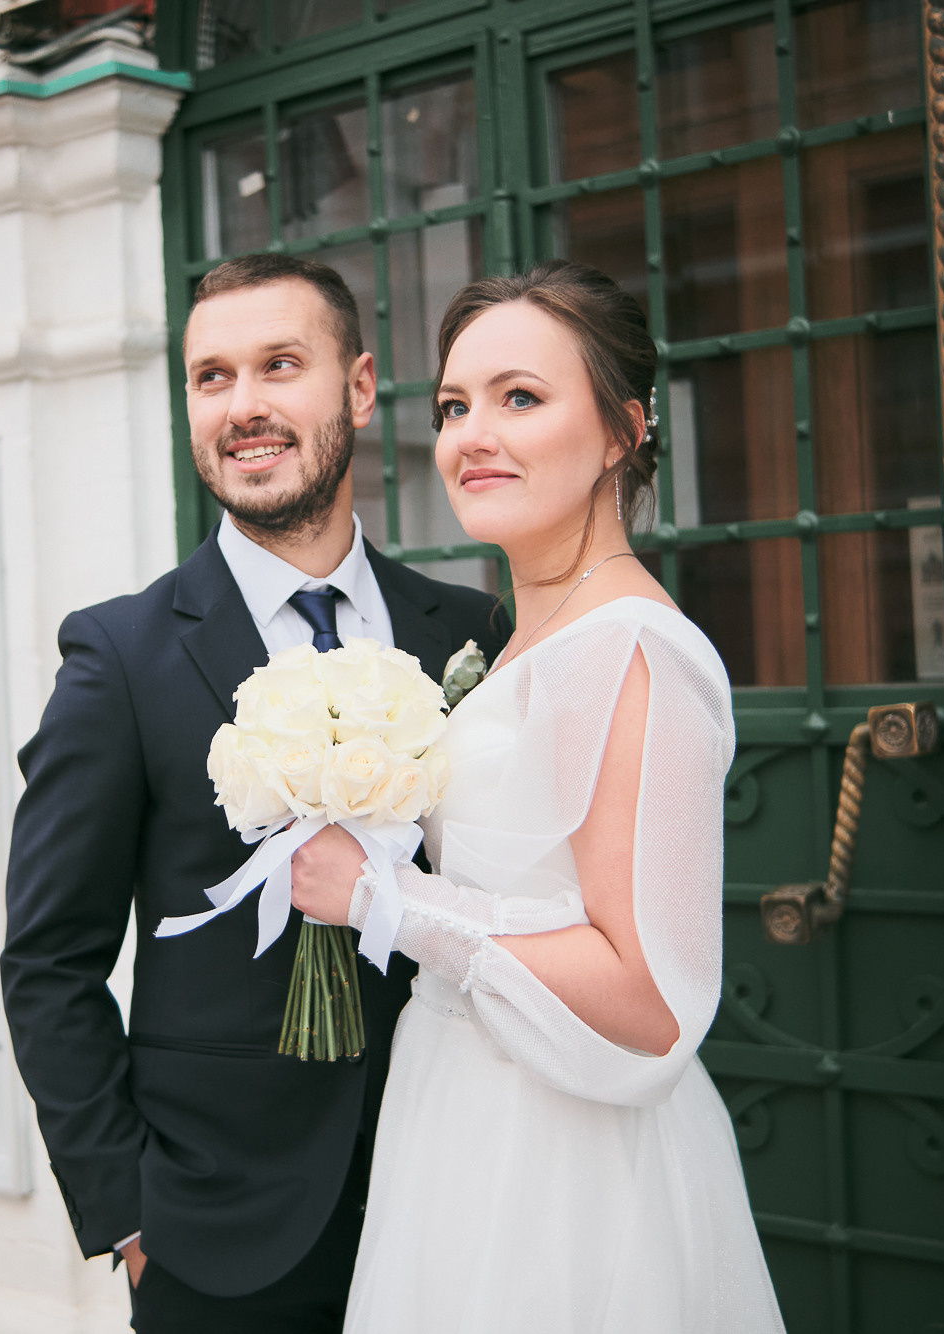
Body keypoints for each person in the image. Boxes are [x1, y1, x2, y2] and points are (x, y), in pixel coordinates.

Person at [1, 252, 510, 1332]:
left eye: (279, 365)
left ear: (360, 388)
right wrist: (127, 1211)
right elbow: (49, 959)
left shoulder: (467, 632)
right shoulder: (120, 655)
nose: (244, 407)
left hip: (454, 1190)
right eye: (211, 377)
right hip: (216, 1233)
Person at [290, 260, 786, 1332]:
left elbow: (646, 995)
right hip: (458, 1117)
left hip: (562, 1161)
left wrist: (387, 900)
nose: (473, 432)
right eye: (455, 404)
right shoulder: (523, 639)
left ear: (621, 428)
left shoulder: (633, 649)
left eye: (520, 397)